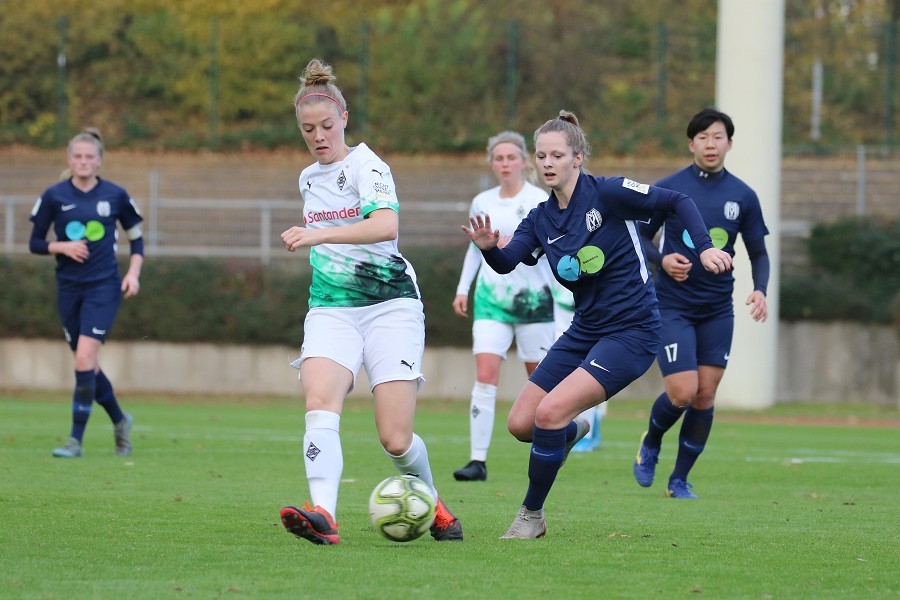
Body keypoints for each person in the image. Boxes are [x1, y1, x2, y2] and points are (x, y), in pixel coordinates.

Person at [461, 110, 732, 539]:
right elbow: (507, 262)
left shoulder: (609, 193)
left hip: (633, 331)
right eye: (542, 156)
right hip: (586, 329)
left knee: (548, 414)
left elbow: (678, 201)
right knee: (520, 425)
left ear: (578, 158)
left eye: (557, 155)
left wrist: (703, 249)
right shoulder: (540, 218)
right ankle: (568, 433)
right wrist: (489, 249)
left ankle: (531, 515)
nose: (548, 163)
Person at [278, 58, 463, 545]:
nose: (318, 137)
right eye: (307, 130)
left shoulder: (367, 164)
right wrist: (323, 240)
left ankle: (435, 503)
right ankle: (324, 514)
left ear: (344, 120)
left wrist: (319, 235)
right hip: (332, 308)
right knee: (319, 402)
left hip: (390, 307)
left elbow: (386, 225)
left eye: (326, 126)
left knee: (395, 438)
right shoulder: (307, 178)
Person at [633, 108, 770, 499]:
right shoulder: (669, 188)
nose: (711, 144)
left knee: (705, 395)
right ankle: (652, 440)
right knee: (682, 392)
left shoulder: (743, 196)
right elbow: (638, 238)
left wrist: (760, 289)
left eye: (718, 137)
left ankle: (679, 481)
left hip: (717, 308)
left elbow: (759, 252)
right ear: (691, 143)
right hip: (672, 305)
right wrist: (662, 259)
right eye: (703, 137)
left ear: (729, 143)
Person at [28, 127, 143, 458]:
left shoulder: (116, 196)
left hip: (104, 286)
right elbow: (34, 243)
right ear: (69, 159)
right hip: (68, 288)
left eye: (89, 156)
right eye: (77, 156)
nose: (83, 161)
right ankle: (121, 420)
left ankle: (74, 441)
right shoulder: (53, 196)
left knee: (82, 358)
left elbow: (136, 238)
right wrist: (61, 246)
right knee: (87, 365)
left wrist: (133, 274)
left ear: (99, 161)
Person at [451, 131, 555, 482]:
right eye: (499, 158)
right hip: (491, 300)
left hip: (534, 301)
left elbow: (551, 247)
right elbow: (473, 248)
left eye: (512, 157)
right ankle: (477, 461)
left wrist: (521, 246)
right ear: (492, 163)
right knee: (484, 377)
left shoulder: (540, 198)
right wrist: (463, 288)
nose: (505, 164)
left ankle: (548, 447)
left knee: (539, 379)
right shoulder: (482, 201)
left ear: (525, 161)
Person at [550, 281, 606, 452]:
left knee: (587, 370)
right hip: (561, 310)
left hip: (591, 311)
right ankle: (587, 423)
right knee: (560, 374)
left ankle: (588, 431)